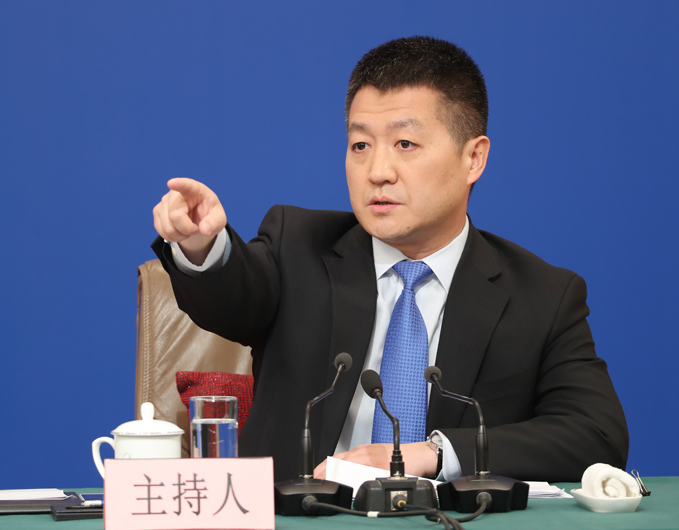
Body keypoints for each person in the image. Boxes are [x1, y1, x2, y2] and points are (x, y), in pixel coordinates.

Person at [151, 36, 628, 483]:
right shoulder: (298, 247)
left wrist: (435, 454)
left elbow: (596, 434)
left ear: (473, 159)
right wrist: (201, 246)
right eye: (360, 145)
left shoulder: (542, 296)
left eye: (405, 144)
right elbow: (234, 295)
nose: (378, 171)